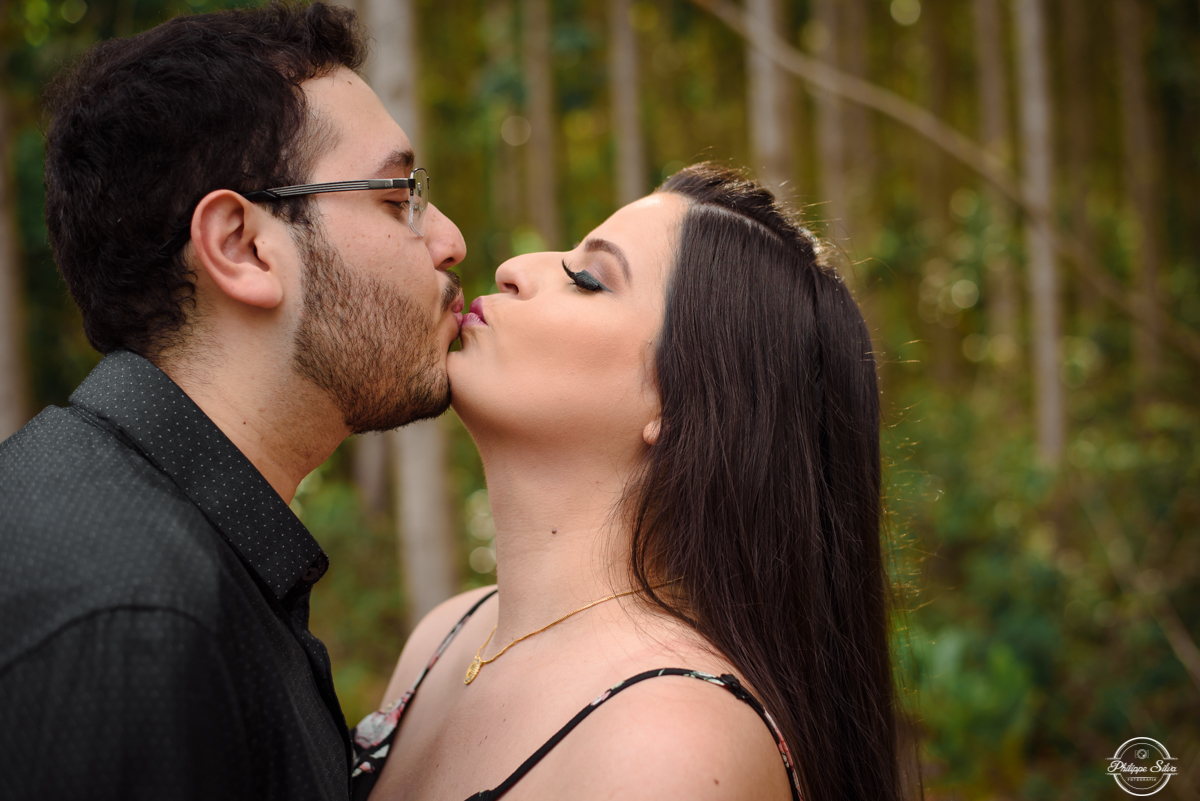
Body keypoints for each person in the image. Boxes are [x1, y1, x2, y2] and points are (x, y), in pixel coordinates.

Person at [0, 3, 465, 799]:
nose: (450, 240)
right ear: (243, 248)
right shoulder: (135, 621)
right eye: (398, 196)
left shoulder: (162, 556)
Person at [349, 164, 903, 801]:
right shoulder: (445, 636)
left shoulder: (671, 745)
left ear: (686, 406)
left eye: (588, 279)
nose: (514, 268)